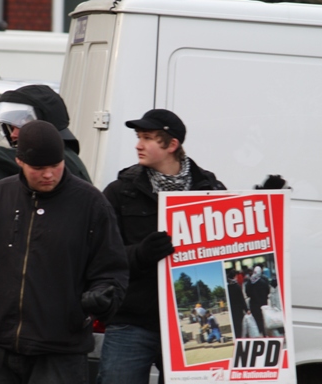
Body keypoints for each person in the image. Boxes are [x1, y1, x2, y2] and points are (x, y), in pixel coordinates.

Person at [0, 120, 128, 383]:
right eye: (38, 168)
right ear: (19, 162)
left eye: (55, 165)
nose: (49, 174)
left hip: (60, 350)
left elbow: (112, 269)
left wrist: (102, 298)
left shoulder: (91, 203)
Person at [97, 109, 226, 384]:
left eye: (147, 138)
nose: (138, 144)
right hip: (132, 321)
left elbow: (232, 248)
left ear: (172, 145)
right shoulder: (120, 191)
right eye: (138, 137)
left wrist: (265, 197)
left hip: (187, 326)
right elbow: (100, 256)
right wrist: (140, 254)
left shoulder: (211, 191)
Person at [245, 266, 270, 336]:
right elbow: (268, 291)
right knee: (263, 319)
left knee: (257, 320)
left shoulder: (249, 282)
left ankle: (260, 332)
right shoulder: (263, 281)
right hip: (263, 304)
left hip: (254, 305)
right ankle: (265, 334)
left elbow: (247, 293)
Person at [227, 269, 249, 338]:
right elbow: (241, 299)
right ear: (234, 276)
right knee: (240, 326)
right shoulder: (236, 286)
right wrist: (246, 309)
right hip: (238, 310)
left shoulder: (228, 287)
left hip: (232, 310)